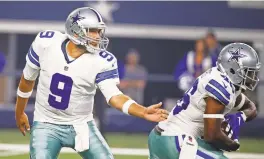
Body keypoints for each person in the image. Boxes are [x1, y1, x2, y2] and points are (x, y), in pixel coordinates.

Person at [15, 7, 168, 159]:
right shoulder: (46, 43)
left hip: (81, 125)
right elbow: (27, 79)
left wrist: (142, 111)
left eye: (99, 31)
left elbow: (114, 96)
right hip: (46, 123)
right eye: (92, 31)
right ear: (75, 30)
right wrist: (19, 112)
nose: (97, 36)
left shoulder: (102, 61)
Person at [148, 43, 261, 159]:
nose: (252, 76)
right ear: (233, 69)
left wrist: (239, 118)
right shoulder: (221, 86)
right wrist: (233, 144)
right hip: (175, 140)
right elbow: (211, 135)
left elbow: (250, 107)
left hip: (166, 137)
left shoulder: (227, 84)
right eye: (249, 71)